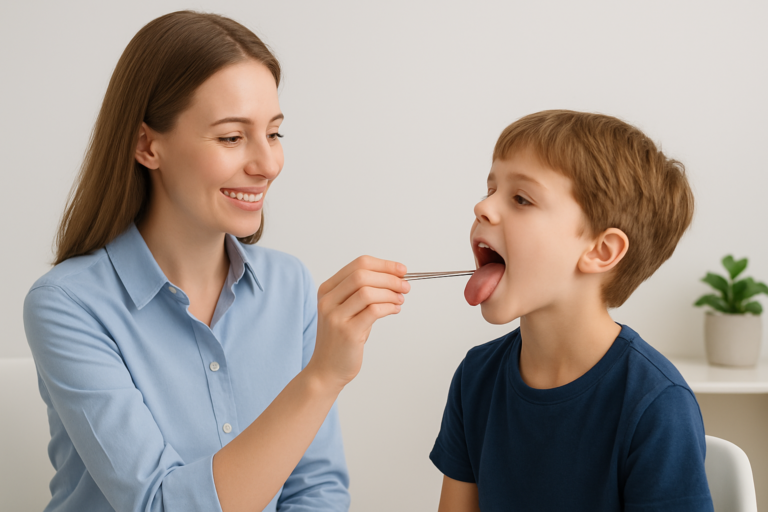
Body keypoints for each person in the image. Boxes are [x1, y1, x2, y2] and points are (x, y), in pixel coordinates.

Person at [23, 11, 409, 512]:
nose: (267, 164)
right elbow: (159, 505)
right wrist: (322, 377)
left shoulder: (289, 286)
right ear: (147, 145)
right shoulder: (67, 305)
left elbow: (315, 490)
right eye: (232, 137)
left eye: (274, 133)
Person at [431, 110, 713, 511]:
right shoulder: (475, 380)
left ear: (600, 251)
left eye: (520, 198)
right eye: (490, 189)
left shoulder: (656, 405)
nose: (483, 207)